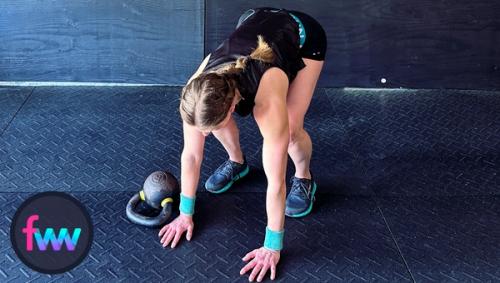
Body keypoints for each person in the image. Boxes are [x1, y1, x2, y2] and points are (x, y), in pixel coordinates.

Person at [158, 7, 327, 282]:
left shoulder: (266, 99)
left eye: (208, 130)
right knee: (208, 123)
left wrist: (273, 245)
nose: (204, 135)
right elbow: (191, 156)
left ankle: (305, 178)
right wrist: (184, 213)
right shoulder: (197, 92)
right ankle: (237, 162)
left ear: (232, 106)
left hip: (303, 36)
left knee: (292, 134)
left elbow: (275, 184)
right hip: (255, 22)